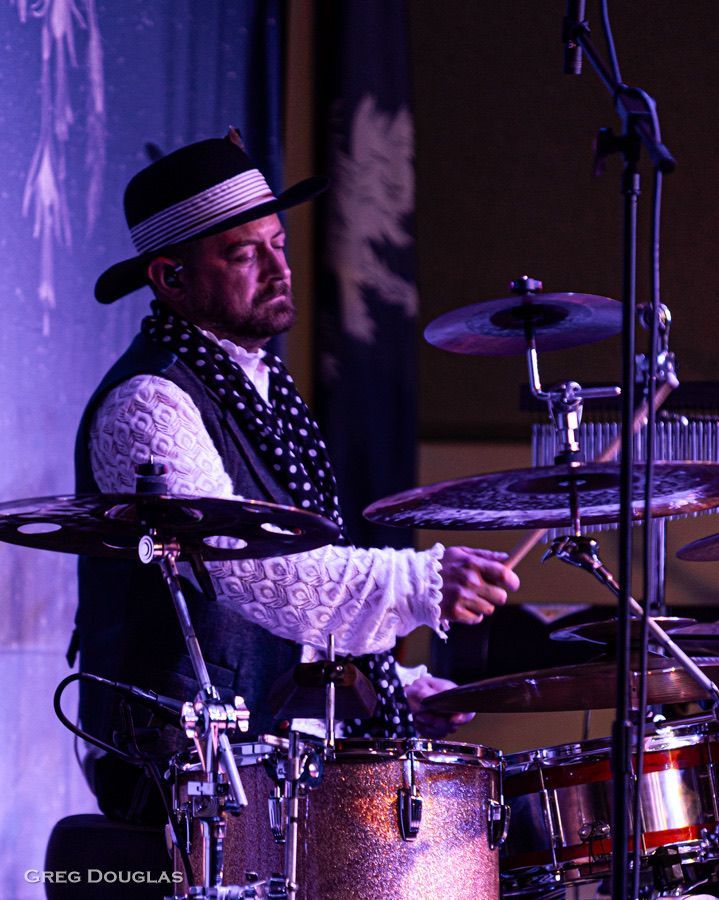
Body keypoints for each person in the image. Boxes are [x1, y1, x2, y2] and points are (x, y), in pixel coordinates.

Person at [73, 131, 519, 823]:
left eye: (277, 243)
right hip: (180, 765)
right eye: (243, 254)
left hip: (263, 749)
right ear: (170, 278)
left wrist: (395, 687)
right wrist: (420, 580)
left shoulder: (262, 385)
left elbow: (293, 611)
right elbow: (251, 573)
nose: (279, 270)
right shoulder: (148, 402)